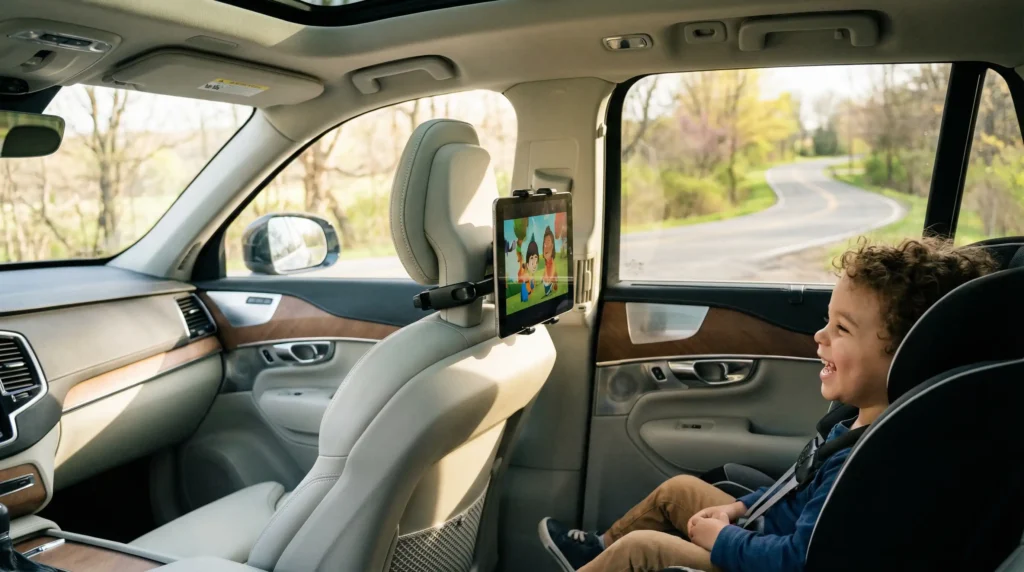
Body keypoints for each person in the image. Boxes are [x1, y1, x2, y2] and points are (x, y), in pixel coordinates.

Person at [539, 237, 998, 572]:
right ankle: (596, 551)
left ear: (910, 354)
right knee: (679, 491)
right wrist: (738, 509)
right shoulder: (853, 425)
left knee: (642, 549)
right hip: (762, 534)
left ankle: (609, 558)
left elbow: (800, 560)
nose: (819, 336)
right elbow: (790, 492)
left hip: (768, 561)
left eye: (841, 329)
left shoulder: (869, 463)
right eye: (827, 321)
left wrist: (724, 539)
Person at [518, 237, 540, 302]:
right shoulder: (525, 274)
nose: (534, 263)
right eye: (531, 258)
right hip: (526, 284)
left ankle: (527, 296)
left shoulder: (529, 274)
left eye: (536, 257)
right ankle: (526, 297)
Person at [542, 226, 559, 296]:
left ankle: (551, 287)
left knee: (551, 281)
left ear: (552, 245)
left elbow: (552, 270)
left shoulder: (552, 262)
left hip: (551, 276)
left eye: (548, 241)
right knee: (546, 282)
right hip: (548, 276)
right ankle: (548, 289)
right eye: (545, 241)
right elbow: (546, 269)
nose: (546, 243)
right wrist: (545, 275)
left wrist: (550, 277)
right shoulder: (546, 262)